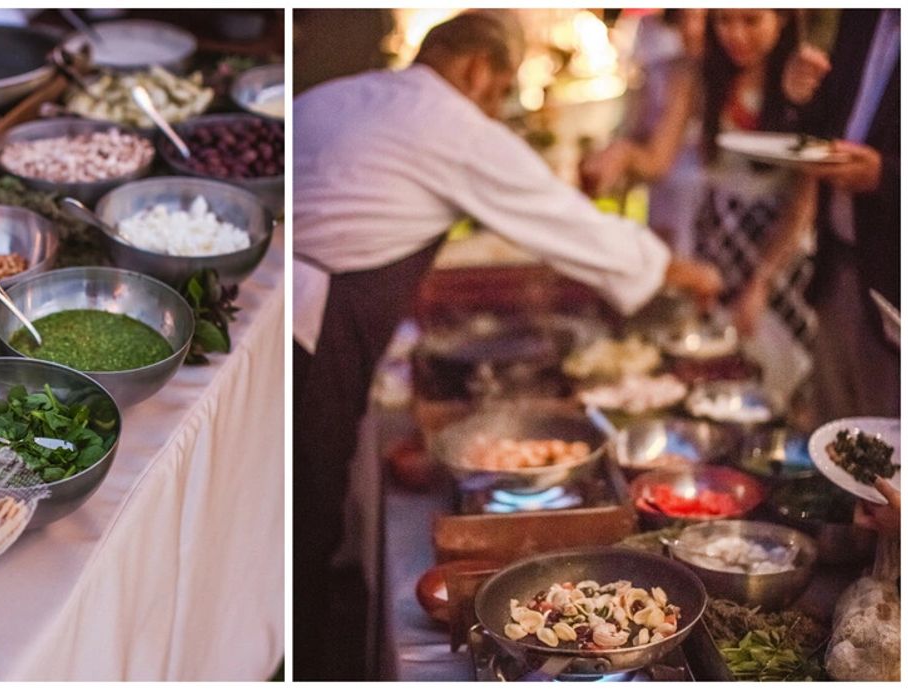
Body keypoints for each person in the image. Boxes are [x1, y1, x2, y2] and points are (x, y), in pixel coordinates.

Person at [292, 10, 721, 679]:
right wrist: (681, 271)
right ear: (473, 68)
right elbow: (564, 219)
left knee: (293, 504)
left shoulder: (337, 93)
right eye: (500, 91)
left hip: (277, 318)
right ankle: (308, 658)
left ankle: (304, 636)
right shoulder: (449, 122)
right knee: (306, 510)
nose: (496, 111)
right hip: (311, 337)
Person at [734, 8, 900, 421]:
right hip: (836, 266)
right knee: (836, 431)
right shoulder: (862, 17)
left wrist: (887, 176)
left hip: (896, 281)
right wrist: (800, 97)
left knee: (889, 448)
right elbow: (829, 132)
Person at [581, 9, 707, 254]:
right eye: (684, 18)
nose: (691, 29)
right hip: (671, 211)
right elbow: (651, 154)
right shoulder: (672, 72)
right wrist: (618, 155)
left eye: (702, 18)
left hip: (712, 220)